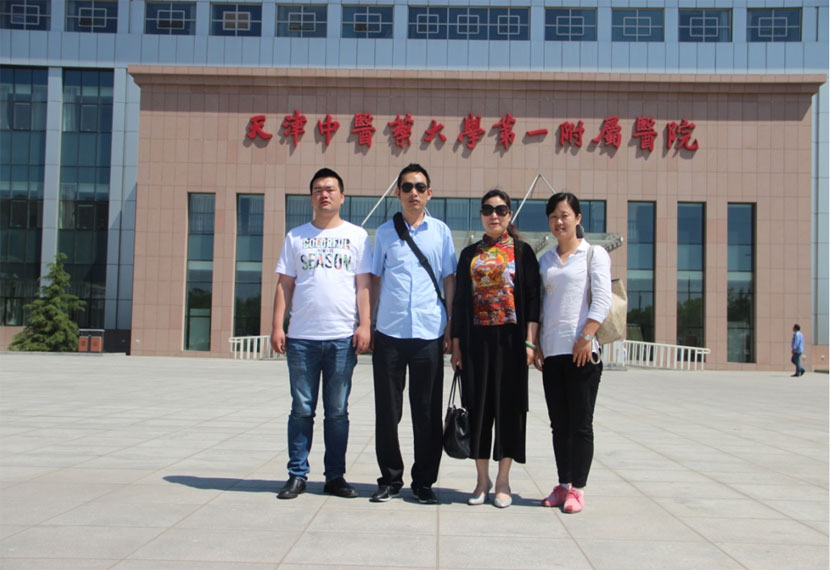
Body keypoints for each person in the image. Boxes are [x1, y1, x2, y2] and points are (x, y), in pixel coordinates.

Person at [271, 168, 372, 500]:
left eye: (330, 189)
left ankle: (335, 477)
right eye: (318, 190)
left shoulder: (357, 236)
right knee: (301, 409)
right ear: (311, 197)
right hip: (302, 338)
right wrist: (277, 326)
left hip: (342, 337)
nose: (324, 194)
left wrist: (364, 325)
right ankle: (297, 474)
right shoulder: (296, 237)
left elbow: (363, 285)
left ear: (342, 196)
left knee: (337, 411)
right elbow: (285, 284)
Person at [370, 163, 456, 504]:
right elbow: (375, 279)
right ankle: (390, 479)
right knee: (387, 412)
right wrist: (368, 323)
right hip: (389, 333)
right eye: (407, 187)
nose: (413, 193)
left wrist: (451, 323)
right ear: (398, 193)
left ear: (429, 193)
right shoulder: (384, 233)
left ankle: (423, 482)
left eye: (420, 187)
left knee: (427, 413)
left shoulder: (441, 232)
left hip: (429, 333)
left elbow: (449, 279)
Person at [450, 189, 540, 508]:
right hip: (476, 343)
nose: (494, 215)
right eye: (488, 209)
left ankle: (503, 481)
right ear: (481, 214)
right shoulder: (469, 254)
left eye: (500, 210)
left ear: (509, 215)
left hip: (511, 343)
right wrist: (456, 346)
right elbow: (460, 302)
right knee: (478, 409)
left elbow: (533, 299)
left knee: (509, 410)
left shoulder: (522, 252)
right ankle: (481, 480)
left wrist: (530, 342)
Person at [535, 192, 611, 514]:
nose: (559, 221)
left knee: (580, 423)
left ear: (577, 218)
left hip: (582, 353)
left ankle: (578, 489)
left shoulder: (594, 254)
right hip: (553, 354)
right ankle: (563, 483)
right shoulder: (545, 260)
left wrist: (585, 337)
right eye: (554, 216)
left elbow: (603, 299)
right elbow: (541, 306)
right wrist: (538, 344)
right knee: (558, 425)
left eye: (565, 215)